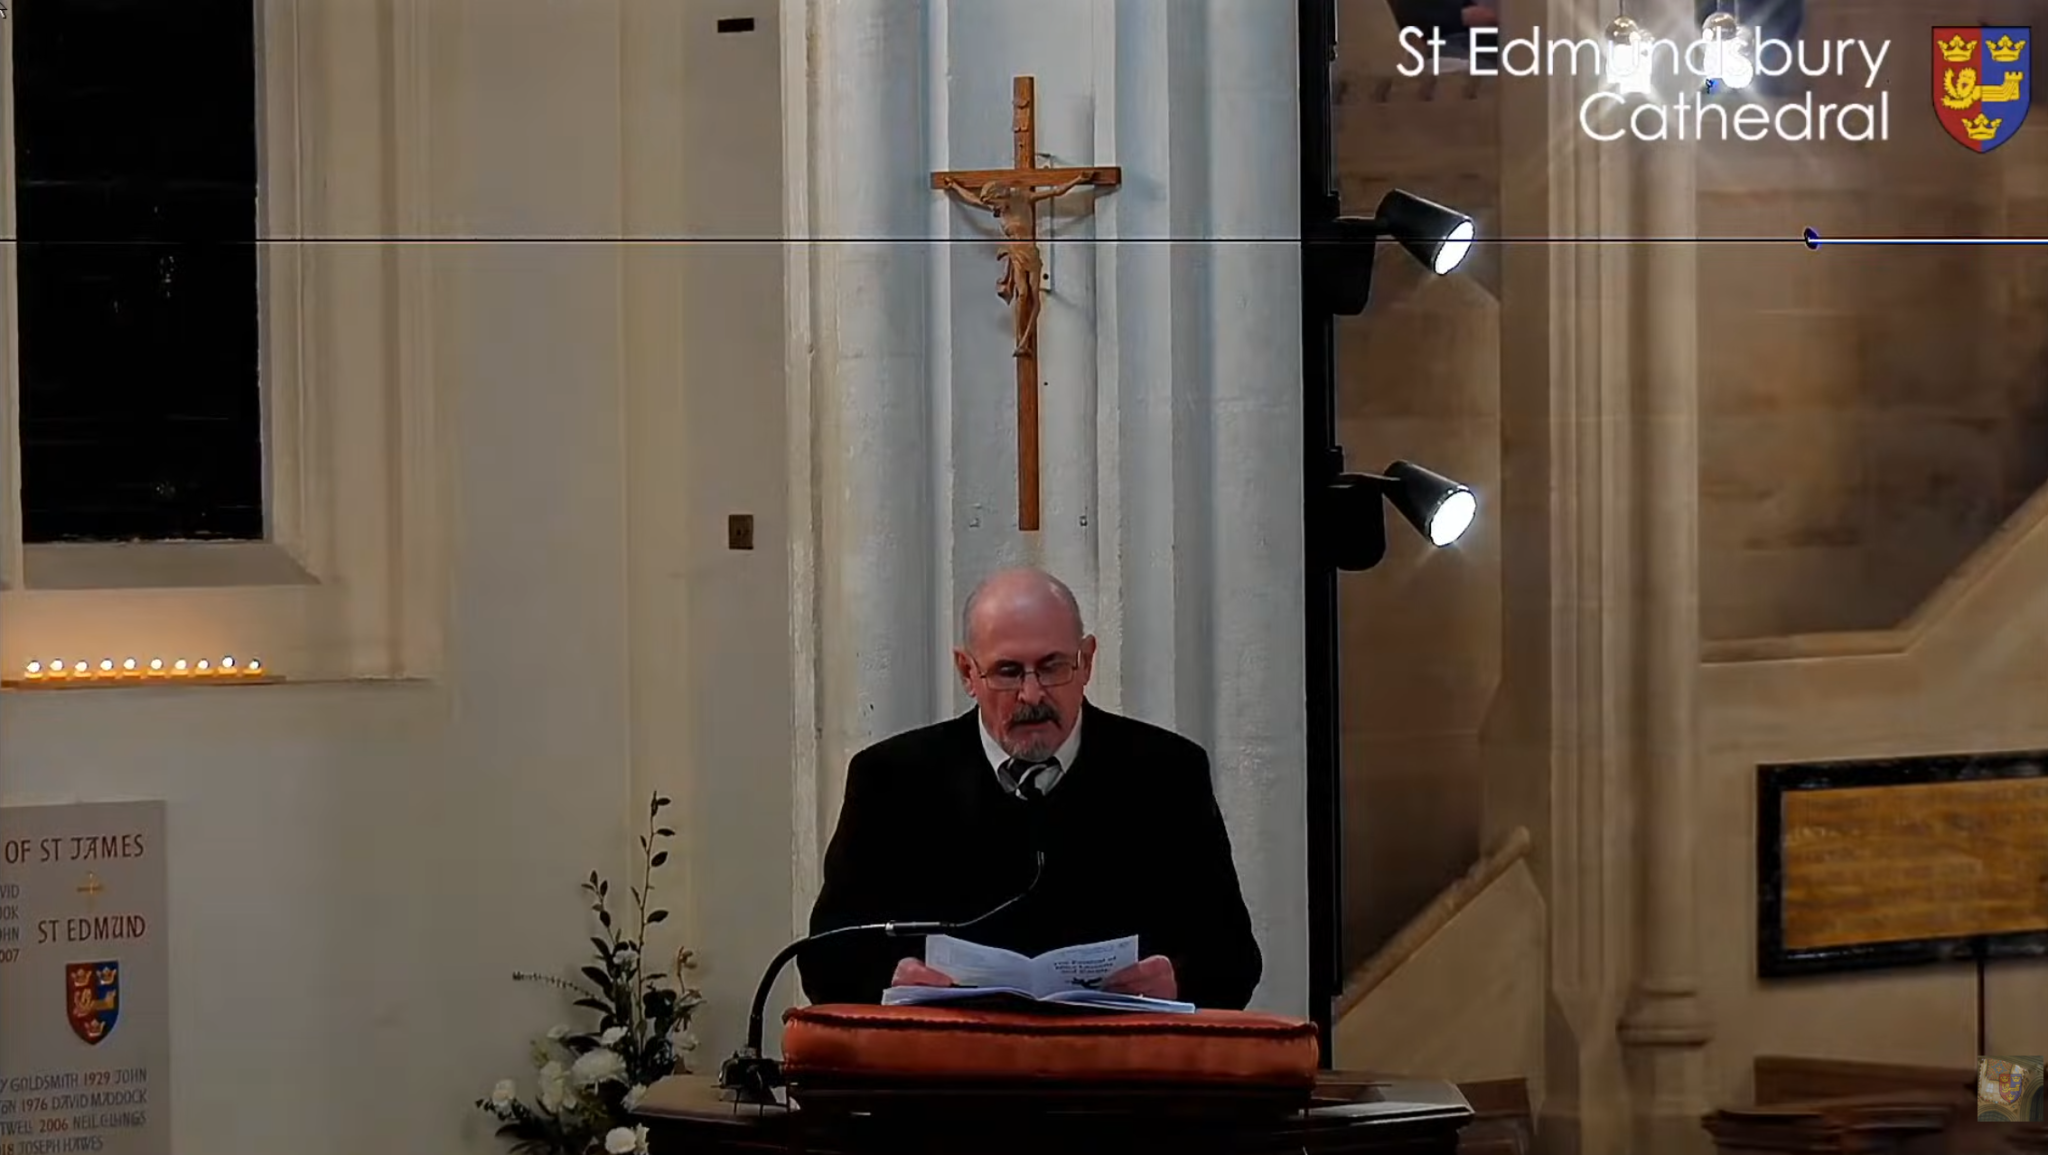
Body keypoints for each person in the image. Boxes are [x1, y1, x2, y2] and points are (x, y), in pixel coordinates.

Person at [798, 568, 1262, 1010]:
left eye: (1052, 667)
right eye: (1007, 672)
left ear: (1086, 661)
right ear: (967, 672)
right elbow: (825, 957)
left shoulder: (1166, 774)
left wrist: (1178, 979)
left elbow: (1234, 958)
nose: (1032, 694)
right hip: (946, 1056)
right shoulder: (893, 780)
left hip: (1117, 1058)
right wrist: (890, 977)